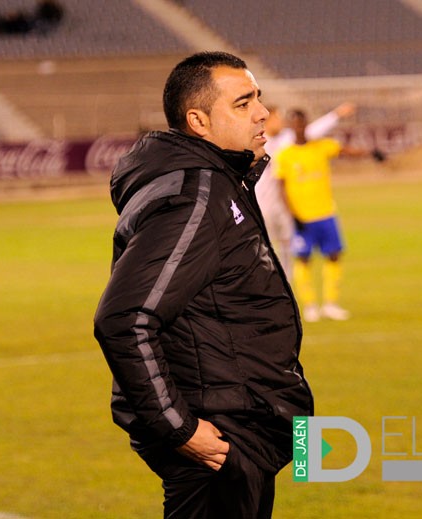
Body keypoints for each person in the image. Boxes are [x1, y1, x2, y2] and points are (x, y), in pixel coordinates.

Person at [93, 51, 313, 519]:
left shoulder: (219, 181)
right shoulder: (197, 192)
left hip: (239, 425)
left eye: (259, 98)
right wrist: (179, 429)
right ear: (199, 121)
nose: (262, 113)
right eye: (242, 103)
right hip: (219, 437)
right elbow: (124, 318)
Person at [275, 108, 384, 322]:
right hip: (302, 217)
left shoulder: (320, 146)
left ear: (306, 124)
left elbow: (345, 151)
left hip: (326, 213)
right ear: (290, 127)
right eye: (295, 124)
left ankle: (331, 304)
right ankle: (309, 305)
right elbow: (281, 188)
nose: (299, 127)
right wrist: (292, 215)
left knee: (333, 255)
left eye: (302, 123)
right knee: (303, 258)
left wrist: (370, 153)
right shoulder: (285, 155)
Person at [257, 103, 356, 277]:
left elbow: (312, 130)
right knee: (262, 246)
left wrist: (336, 114)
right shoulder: (256, 141)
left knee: (287, 246)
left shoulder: (286, 139)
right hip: (260, 203)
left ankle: (285, 283)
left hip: (283, 204)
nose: (280, 121)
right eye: (277, 117)